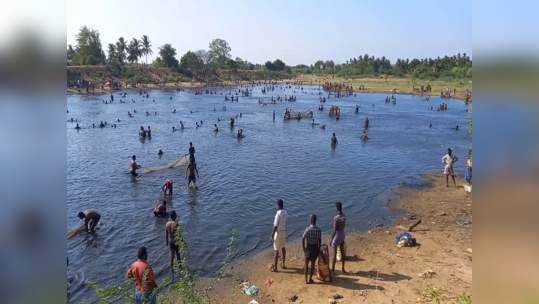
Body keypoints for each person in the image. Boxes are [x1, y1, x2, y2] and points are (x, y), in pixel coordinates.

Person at [302, 214, 321, 284]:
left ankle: (306, 279)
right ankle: (310, 279)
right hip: (315, 247)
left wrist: (304, 247)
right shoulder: (318, 230)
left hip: (309, 247)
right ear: (316, 221)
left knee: (306, 263)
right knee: (313, 264)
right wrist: (318, 248)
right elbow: (319, 240)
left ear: (311, 220)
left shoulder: (307, 229)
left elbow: (303, 238)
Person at [269, 199, 287, 272]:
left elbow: (275, 226)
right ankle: (283, 264)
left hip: (278, 232)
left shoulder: (278, 214)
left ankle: (275, 268)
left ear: (278, 205)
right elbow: (286, 223)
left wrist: (272, 235)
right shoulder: (285, 212)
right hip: (283, 231)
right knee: (283, 248)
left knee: (276, 250)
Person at [331, 202, 347, 276]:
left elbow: (334, 230)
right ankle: (343, 268)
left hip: (337, 235)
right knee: (342, 252)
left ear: (337, 208)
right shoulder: (344, 216)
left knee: (335, 253)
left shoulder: (336, 218)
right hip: (342, 234)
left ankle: (333, 270)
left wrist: (331, 240)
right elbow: (343, 226)